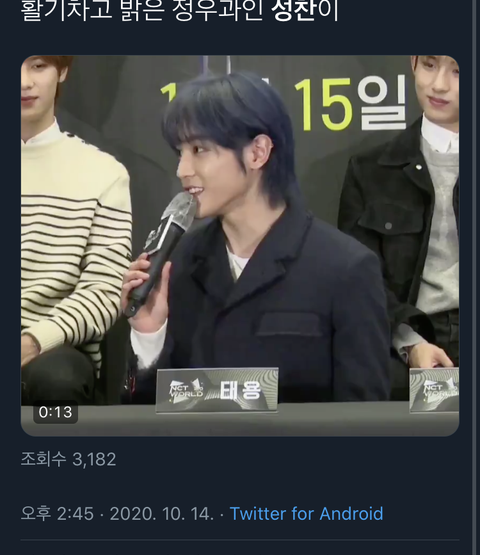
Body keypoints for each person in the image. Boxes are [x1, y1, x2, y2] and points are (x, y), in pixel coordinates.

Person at [121, 72, 391, 404]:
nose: (182, 169)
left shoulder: (346, 269)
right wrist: (149, 335)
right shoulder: (177, 265)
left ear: (258, 152)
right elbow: (144, 416)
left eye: (199, 149)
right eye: (180, 152)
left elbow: (364, 416)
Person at [338, 55, 459, 399]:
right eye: (430, 65)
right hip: (408, 345)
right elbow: (361, 280)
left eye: (458, 71)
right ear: (413, 64)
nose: (438, 85)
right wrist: (410, 343)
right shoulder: (370, 171)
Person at [21, 55, 132, 404]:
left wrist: (33, 341)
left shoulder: (103, 173)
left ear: (62, 70)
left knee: (58, 380)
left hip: (52, 350)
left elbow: (105, 289)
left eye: (38, 66)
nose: (23, 82)